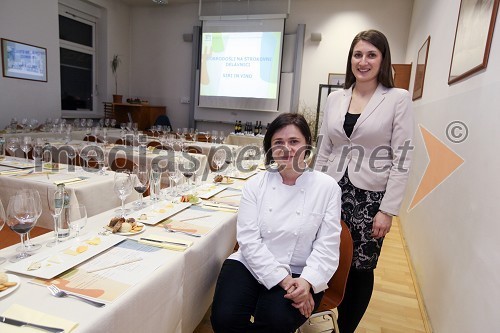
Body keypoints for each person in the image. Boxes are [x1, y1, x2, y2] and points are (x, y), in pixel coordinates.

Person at [314, 29, 414, 333]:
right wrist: (311, 190)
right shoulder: (335, 97)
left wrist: (388, 210)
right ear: (351, 59)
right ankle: (322, 320)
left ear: (382, 59)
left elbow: (403, 157)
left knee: (359, 267)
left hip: (370, 198)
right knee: (327, 257)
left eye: (371, 54)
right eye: (358, 54)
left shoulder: (397, 98)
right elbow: (324, 148)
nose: (363, 61)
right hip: (332, 190)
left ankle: (346, 328)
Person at [211, 113, 342, 333]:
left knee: (274, 322)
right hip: (250, 264)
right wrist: (282, 280)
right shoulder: (255, 185)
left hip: (301, 271)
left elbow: (327, 246)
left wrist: (307, 283)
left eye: (294, 141)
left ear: (307, 145)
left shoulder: (327, 187)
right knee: (224, 320)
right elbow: (248, 241)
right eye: (278, 142)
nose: (286, 148)